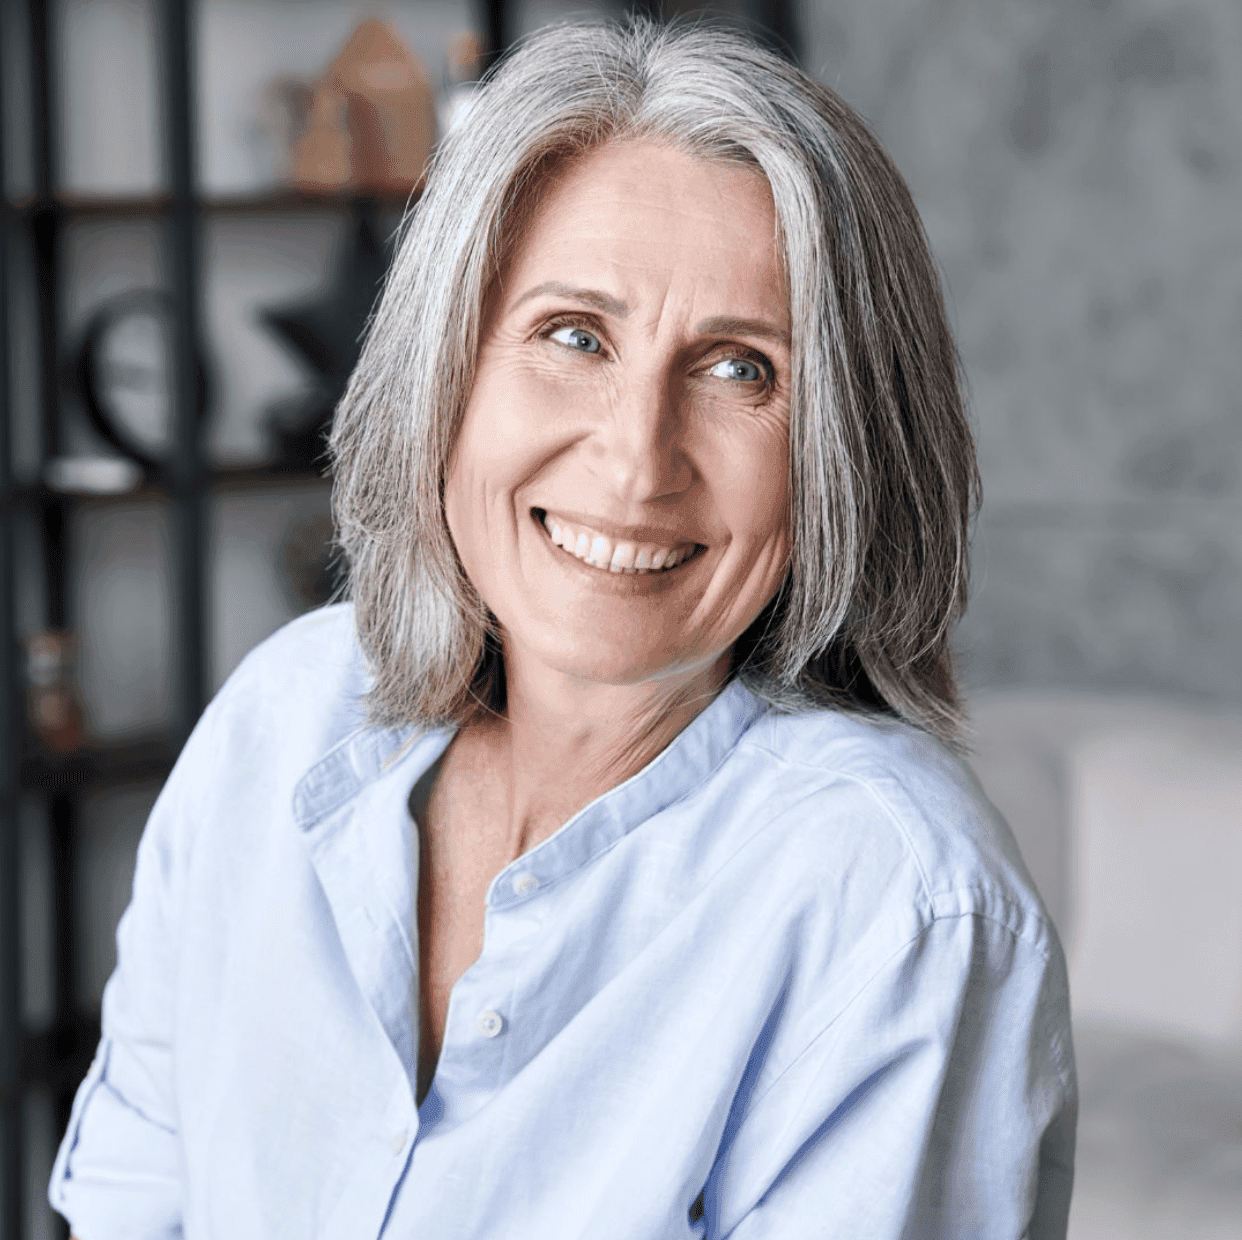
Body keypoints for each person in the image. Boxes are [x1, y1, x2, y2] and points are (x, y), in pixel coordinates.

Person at [50, 18, 1075, 1240]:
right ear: (448, 372)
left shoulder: (899, 907)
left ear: (845, 453)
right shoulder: (279, 719)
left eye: (742, 369)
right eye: (574, 336)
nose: (637, 461)